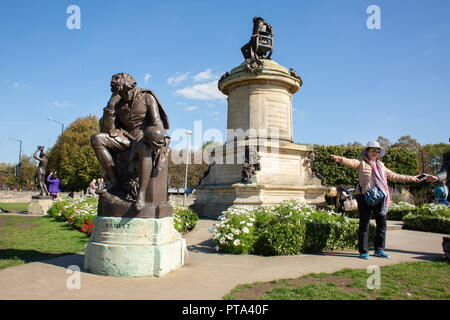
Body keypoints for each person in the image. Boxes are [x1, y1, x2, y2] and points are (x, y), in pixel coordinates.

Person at [331, 141, 430, 259]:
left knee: (382, 224)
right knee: (364, 224)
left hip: (379, 197)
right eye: (372, 150)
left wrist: (413, 178)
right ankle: (363, 251)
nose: (374, 152)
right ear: (367, 151)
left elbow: (395, 176)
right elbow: (351, 162)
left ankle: (379, 249)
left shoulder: (381, 166)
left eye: (376, 150)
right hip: (364, 196)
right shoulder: (362, 162)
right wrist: (340, 159)